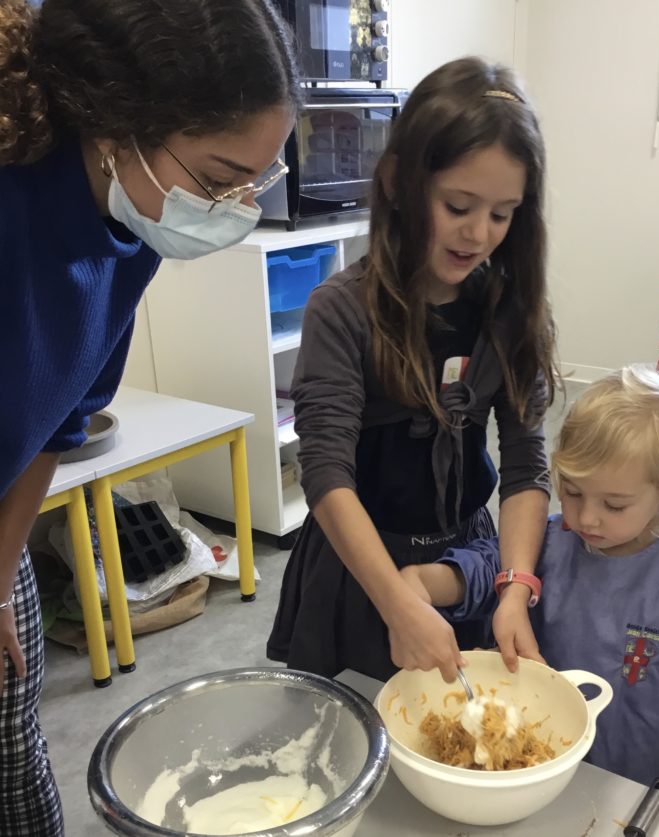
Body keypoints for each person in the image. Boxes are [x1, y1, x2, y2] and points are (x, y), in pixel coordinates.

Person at [0, 1, 300, 833]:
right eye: (218, 180)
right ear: (115, 126)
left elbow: (56, 428)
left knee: (12, 735)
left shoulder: (127, 234)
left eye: (254, 181)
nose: (236, 207)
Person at [267, 57, 558, 685]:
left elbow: (525, 465)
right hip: (360, 565)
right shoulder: (342, 310)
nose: (478, 234)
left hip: (461, 561)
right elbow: (326, 473)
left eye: (502, 214)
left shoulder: (509, 313)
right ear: (399, 182)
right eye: (458, 205)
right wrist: (397, 603)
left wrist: (514, 586)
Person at [402, 365, 659, 837]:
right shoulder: (546, 543)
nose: (587, 517)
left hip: (628, 790)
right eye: (571, 491)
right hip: (523, 775)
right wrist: (420, 583)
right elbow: (479, 570)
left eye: (614, 504)